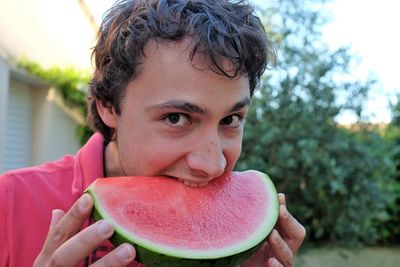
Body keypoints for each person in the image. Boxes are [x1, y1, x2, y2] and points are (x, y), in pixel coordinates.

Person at [0, 0, 306, 266]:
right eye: (176, 118)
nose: (213, 165)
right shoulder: (8, 204)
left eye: (231, 119)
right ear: (108, 106)